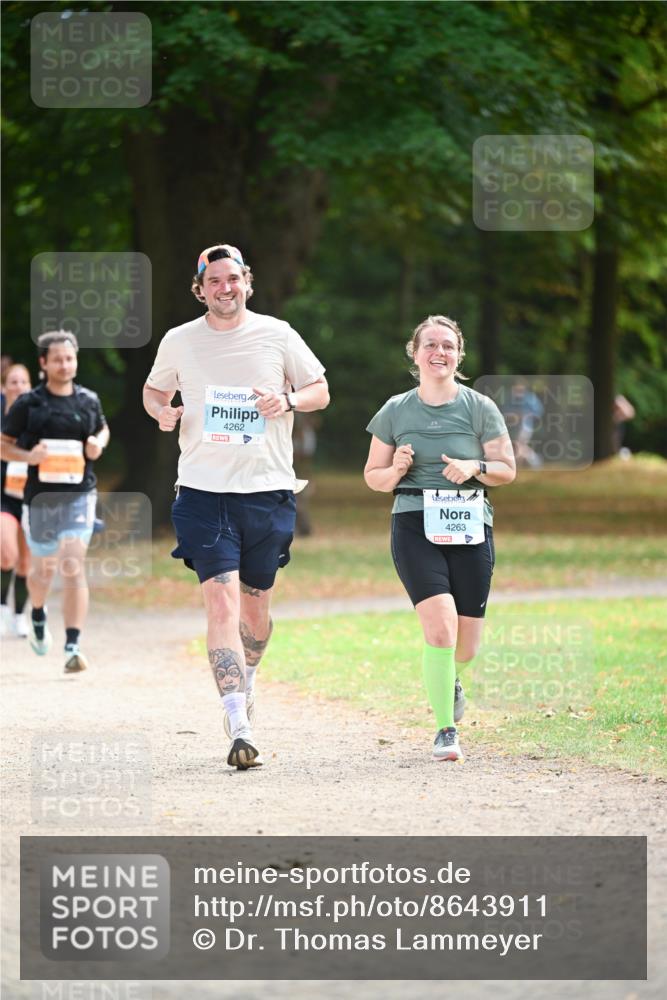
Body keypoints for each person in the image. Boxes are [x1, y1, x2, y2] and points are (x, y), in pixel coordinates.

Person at [142, 243, 329, 771]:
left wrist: (287, 400)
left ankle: (248, 679)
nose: (225, 288)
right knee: (221, 606)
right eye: (214, 281)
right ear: (200, 290)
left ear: (247, 282)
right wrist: (162, 412)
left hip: (267, 492)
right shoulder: (180, 340)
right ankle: (237, 721)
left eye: (233, 278)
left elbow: (319, 390)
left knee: (255, 611)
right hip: (202, 492)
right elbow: (153, 392)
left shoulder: (278, 334)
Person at [364, 315, 515, 762]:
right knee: (441, 627)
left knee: (466, 646)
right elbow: (373, 477)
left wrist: (475, 467)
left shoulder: (480, 407)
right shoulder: (395, 410)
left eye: (448, 345)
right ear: (415, 354)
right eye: (430, 344)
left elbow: (507, 470)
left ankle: (448, 676)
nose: (439, 352)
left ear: (459, 355)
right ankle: (445, 731)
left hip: (470, 523)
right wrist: (396, 470)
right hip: (414, 521)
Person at [0, 332, 110, 672]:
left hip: (80, 495)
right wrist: (28, 456)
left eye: (70, 358)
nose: (65, 365)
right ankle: (36, 612)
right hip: (40, 501)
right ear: (44, 363)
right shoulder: (29, 404)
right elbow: (4, 445)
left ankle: (72, 645)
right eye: (58, 359)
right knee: (42, 571)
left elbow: (103, 429)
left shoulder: (88, 400)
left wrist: (97, 443)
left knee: (73, 563)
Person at [1, 364, 32, 637]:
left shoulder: (38, 415)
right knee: (6, 554)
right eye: (13, 381)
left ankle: (20, 615)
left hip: (31, 496)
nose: (19, 386)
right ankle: (1, 608)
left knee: (25, 563)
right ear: (4, 387)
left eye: (23, 381)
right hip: (4, 497)